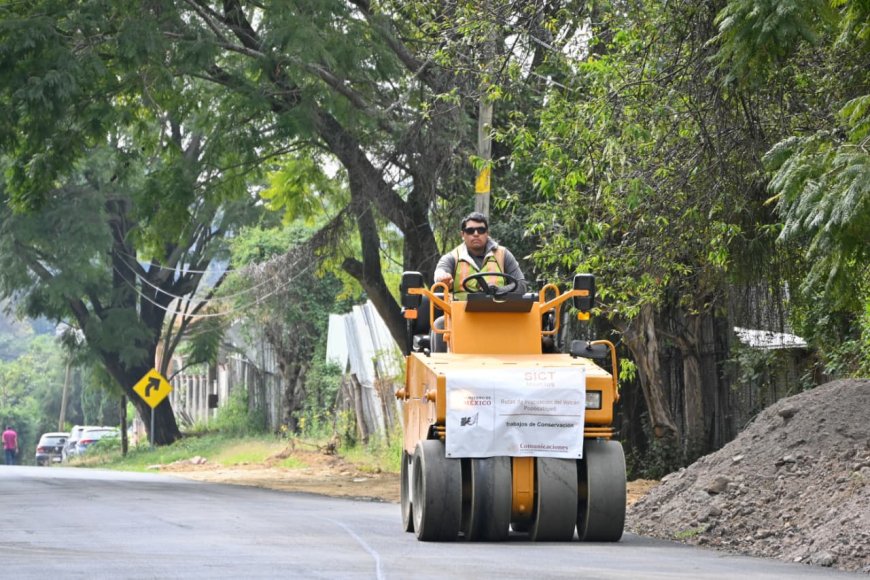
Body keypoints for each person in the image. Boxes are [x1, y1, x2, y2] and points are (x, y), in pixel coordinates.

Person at [434, 211, 526, 296]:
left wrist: (497, 290)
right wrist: (442, 277)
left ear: (487, 233)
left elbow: (521, 286)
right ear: (462, 235)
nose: (476, 234)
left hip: (497, 312)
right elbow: (440, 272)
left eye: (481, 230)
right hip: (460, 313)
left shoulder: (503, 254)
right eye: (470, 231)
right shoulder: (452, 257)